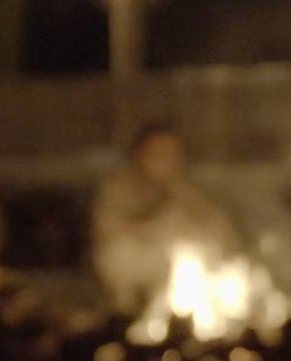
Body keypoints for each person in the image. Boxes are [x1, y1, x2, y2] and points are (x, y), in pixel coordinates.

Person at [91, 124, 242, 314]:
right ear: (139, 155)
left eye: (172, 154)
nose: (165, 160)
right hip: (137, 267)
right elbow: (105, 225)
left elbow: (221, 231)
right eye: (158, 153)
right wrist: (150, 229)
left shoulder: (189, 192)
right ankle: (124, 314)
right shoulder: (120, 188)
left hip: (179, 275)